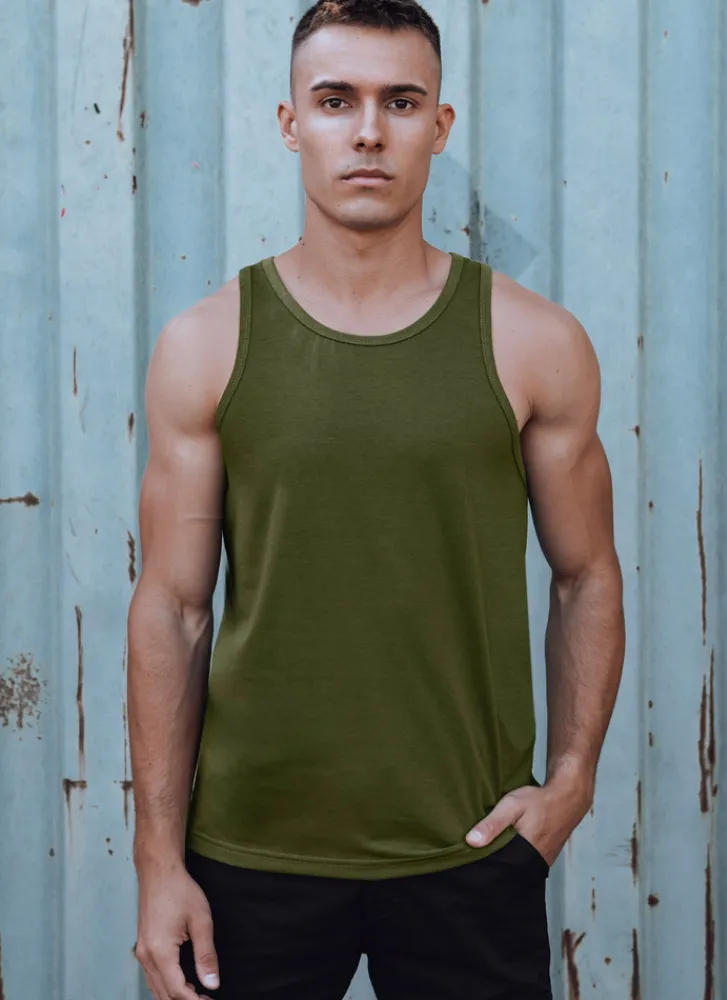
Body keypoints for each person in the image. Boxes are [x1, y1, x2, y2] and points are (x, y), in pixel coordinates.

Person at [127, 1, 626, 998]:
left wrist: (571, 784)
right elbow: (173, 609)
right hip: (251, 855)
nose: (367, 131)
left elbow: (586, 575)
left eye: (400, 102)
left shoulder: (533, 342)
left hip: (469, 850)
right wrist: (158, 862)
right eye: (335, 100)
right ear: (290, 123)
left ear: (439, 126)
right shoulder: (207, 344)